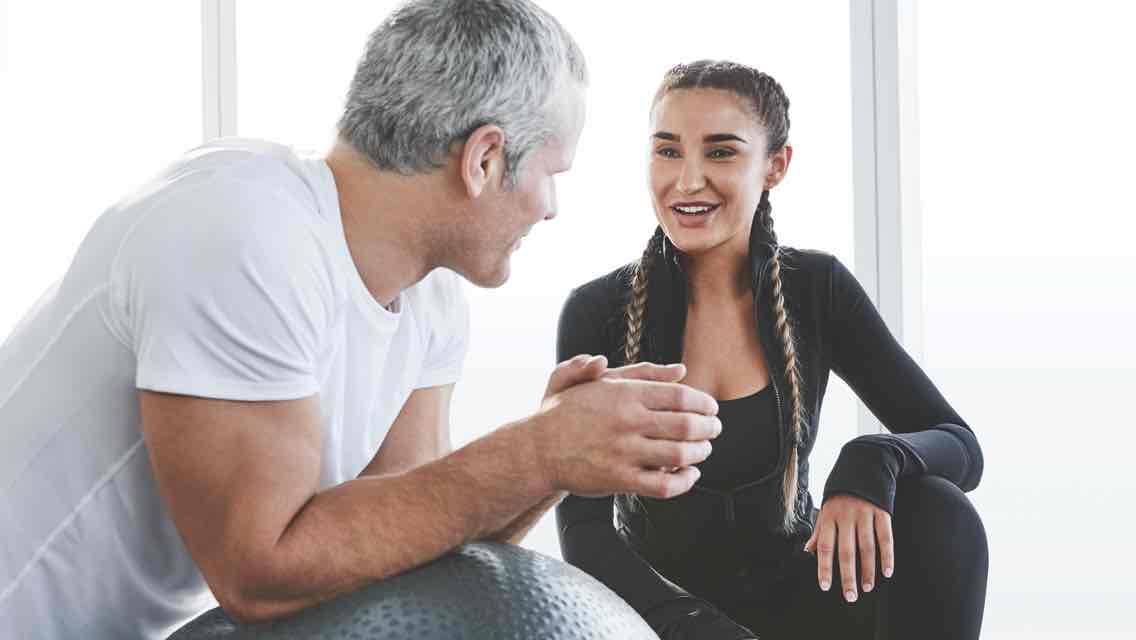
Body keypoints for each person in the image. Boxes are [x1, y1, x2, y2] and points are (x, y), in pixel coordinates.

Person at [0, 2, 724, 638]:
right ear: (484, 159)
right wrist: (534, 452)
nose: (551, 207)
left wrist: (556, 460)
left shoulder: (431, 295)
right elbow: (259, 570)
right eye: (553, 173)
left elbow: (406, 541)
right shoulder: (239, 231)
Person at [555, 60, 989, 639]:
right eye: (668, 151)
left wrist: (871, 460)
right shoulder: (595, 310)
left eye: (720, 152)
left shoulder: (817, 288)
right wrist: (687, 624)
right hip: (663, 621)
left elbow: (960, 446)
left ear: (775, 166)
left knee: (940, 513)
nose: (687, 180)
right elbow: (584, 531)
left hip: (801, 603)